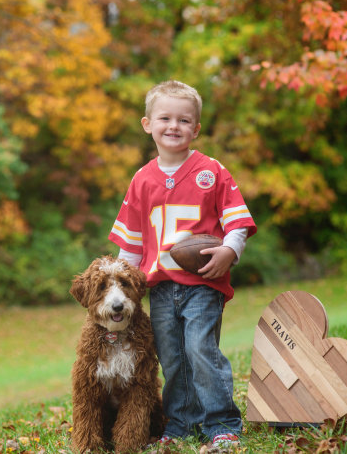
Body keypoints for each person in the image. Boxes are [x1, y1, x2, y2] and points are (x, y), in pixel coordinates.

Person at [108, 80, 256, 451]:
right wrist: (121, 289)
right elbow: (132, 244)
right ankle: (181, 422)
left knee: (201, 350)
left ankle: (221, 422)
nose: (174, 126)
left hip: (202, 284)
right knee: (172, 357)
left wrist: (229, 251)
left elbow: (237, 221)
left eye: (184, 120)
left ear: (196, 129)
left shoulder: (212, 171)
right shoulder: (141, 180)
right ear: (148, 124)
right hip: (160, 289)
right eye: (165, 118)